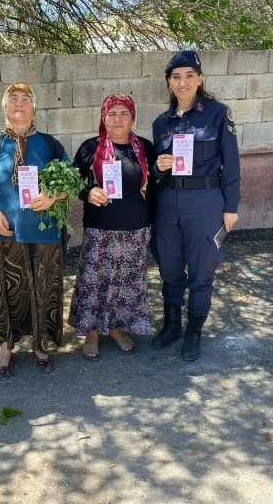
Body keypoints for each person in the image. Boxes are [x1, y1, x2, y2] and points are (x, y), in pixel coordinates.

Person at [0, 83, 71, 380]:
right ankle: (6, 347)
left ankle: (39, 345)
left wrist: (53, 196)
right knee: (5, 292)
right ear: (5, 108)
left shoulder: (50, 145)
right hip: (4, 233)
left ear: (34, 108)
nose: (19, 103)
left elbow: (73, 182)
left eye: (26, 99)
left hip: (45, 233)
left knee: (41, 289)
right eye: (13, 99)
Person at [151, 50, 241, 361]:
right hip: (168, 202)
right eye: (176, 76)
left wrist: (231, 207)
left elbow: (231, 164)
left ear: (200, 79)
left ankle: (194, 329)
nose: (183, 82)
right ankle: (172, 324)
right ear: (169, 82)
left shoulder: (217, 113)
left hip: (205, 201)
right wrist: (158, 167)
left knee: (202, 269)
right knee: (170, 266)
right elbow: (153, 173)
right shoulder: (160, 122)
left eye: (190, 75)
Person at [69, 94, 157, 360]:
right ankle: (93, 332)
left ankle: (117, 328)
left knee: (125, 283)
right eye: (111, 114)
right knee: (94, 282)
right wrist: (87, 192)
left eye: (124, 113)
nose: (118, 119)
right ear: (103, 118)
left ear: (133, 117)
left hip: (136, 229)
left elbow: (154, 184)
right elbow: (72, 181)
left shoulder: (144, 147)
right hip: (100, 230)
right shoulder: (91, 147)